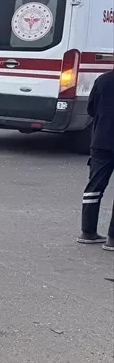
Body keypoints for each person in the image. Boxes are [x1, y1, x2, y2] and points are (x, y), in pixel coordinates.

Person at [79, 69, 114, 249]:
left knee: (94, 187)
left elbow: (91, 109)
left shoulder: (102, 80)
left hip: (101, 140)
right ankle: (112, 239)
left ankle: (88, 231)